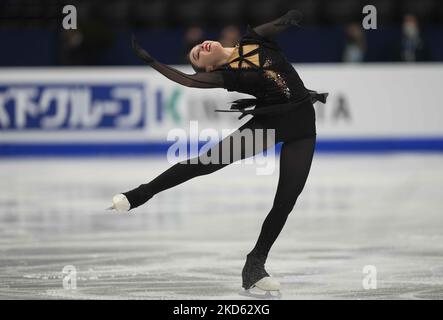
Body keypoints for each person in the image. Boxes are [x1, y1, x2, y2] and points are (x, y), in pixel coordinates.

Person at [109, 10, 328, 293]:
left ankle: (255, 264)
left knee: (287, 199)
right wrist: (153, 62)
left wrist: (295, 15)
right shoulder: (227, 77)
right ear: (209, 69)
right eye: (197, 56)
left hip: (303, 128)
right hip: (269, 126)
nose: (201, 48)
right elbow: (188, 81)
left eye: (198, 46)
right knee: (206, 162)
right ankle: (138, 195)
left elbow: (279, 24)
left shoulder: (255, 39)